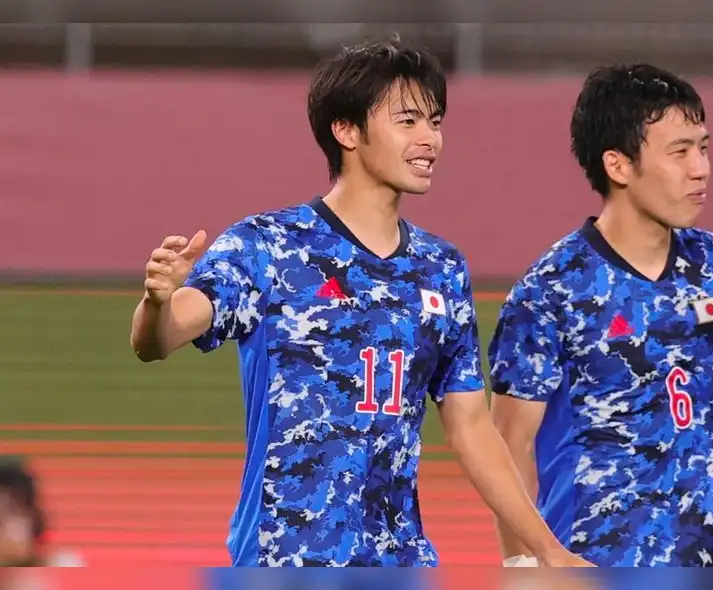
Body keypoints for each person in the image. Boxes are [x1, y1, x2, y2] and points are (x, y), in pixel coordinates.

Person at [129, 38, 589, 568]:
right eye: (409, 120)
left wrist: (547, 549)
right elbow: (158, 340)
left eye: (435, 122)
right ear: (346, 130)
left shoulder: (442, 269)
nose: (430, 139)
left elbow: (470, 427)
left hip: (400, 560)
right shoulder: (268, 245)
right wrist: (157, 302)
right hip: (284, 561)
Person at [487, 63, 713, 567]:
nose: (700, 167)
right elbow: (508, 444)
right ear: (618, 165)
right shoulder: (552, 286)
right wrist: (523, 567)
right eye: (679, 152)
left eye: (703, 148)